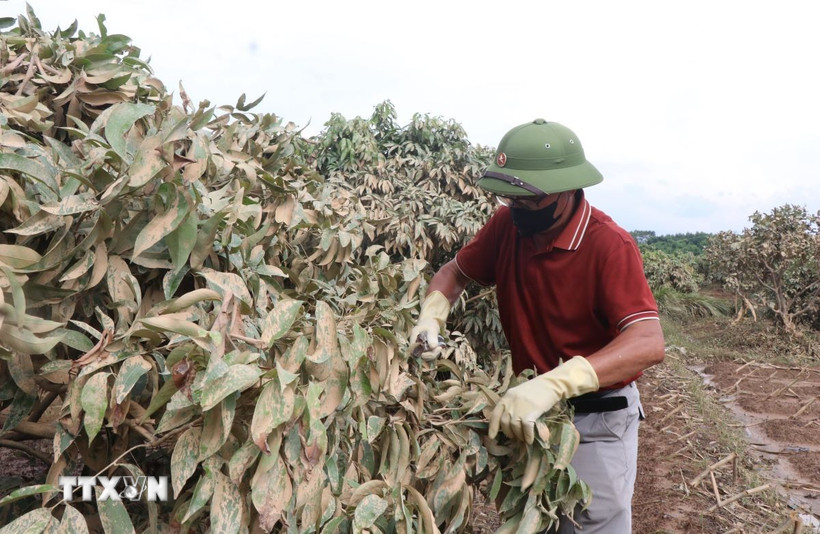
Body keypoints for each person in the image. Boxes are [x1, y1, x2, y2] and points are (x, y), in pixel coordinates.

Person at [409, 119, 665, 533]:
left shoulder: (608, 245)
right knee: (533, 521)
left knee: (588, 521)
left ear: (565, 190)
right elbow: (454, 274)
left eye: (528, 199)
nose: (517, 208)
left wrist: (556, 384)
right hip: (526, 412)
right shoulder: (506, 226)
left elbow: (648, 341)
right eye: (510, 197)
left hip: (596, 418)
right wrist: (431, 317)